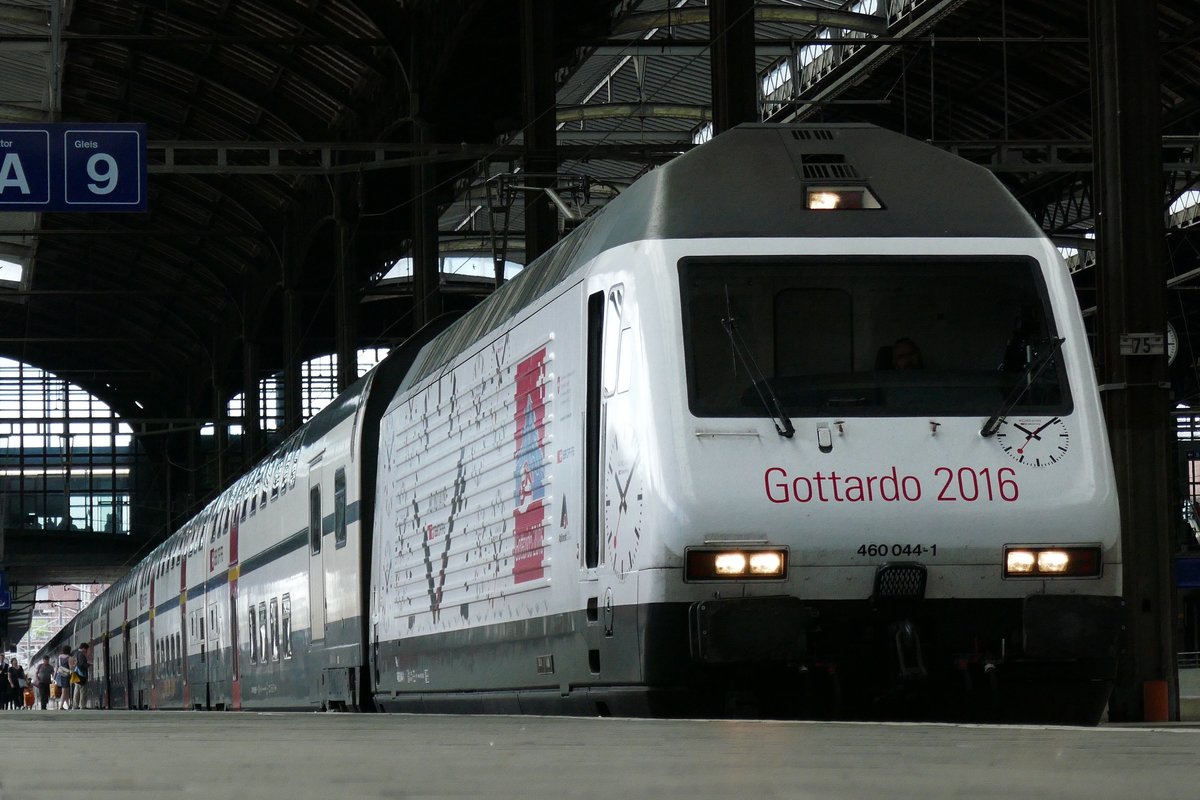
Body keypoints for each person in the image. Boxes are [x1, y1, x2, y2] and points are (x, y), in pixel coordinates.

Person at [71, 642, 90, 710]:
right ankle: (82, 705)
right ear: (84, 648)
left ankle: (75, 705)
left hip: (76, 674)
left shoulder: (76, 654)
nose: (86, 651)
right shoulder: (81, 655)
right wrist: (88, 665)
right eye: (86, 649)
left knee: (77, 690)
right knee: (83, 691)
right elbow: (81, 665)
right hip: (81, 675)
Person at [55, 645, 72, 710]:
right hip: (66, 675)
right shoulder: (69, 658)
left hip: (60, 674)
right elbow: (70, 667)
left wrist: (54, 677)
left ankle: (68, 705)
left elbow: (57, 667)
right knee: (64, 691)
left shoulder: (59, 657)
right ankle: (61, 706)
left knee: (66, 691)